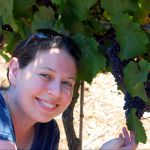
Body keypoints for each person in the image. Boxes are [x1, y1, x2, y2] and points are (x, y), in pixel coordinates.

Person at [0, 29, 137, 149]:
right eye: (45, 75)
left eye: (67, 83)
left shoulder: (48, 132)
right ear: (15, 71)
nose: (56, 92)